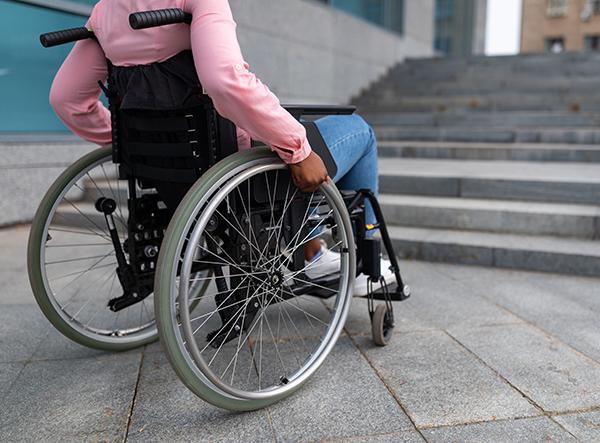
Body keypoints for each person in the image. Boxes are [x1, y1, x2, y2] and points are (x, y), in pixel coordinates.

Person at [49, 0, 394, 295]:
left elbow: (66, 99)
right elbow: (225, 81)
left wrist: (134, 145)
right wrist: (299, 149)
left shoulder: (106, 12)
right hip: (233, 164)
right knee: (357, 131)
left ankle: (313, 245)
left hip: (180, 171)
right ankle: (364, 259)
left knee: (286, 124)